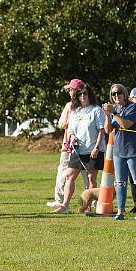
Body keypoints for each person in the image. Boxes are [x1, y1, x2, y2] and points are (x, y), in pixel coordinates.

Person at [53, 85, 105, 213]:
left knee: (91, 178)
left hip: (93, 150)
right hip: (78, 150)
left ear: (89, 95)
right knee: (69, 176)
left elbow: (101, 131)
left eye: (85, 93)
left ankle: (90, 206)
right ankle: (65, 205)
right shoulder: (75, 111)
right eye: (80, 94)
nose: (82, 96)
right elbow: (70, 130)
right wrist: (71, 139)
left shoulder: (96, 110)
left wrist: (97, 148)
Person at [103, 84, 136, 220]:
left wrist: (114, 113)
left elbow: (125, 124)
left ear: (124, 94)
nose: (116, 96)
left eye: (118, 93)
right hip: (118, 150)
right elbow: (108, 130)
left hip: (133, 150)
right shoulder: (116, 108)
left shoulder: (132, 107)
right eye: (113, 94)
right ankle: (120, 211)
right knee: (120, 182)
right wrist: (107, 115)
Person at [48, 79, 88, 207]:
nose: (69, 92)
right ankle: (60, 199)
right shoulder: (69, 106)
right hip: (68, 145)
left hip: (84, 145)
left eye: (71, 89)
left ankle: (91, 200)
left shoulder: (81, 106)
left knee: (86, 173)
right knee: (65, 172)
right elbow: (61, 124)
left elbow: (63, 124)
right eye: (69, 90)